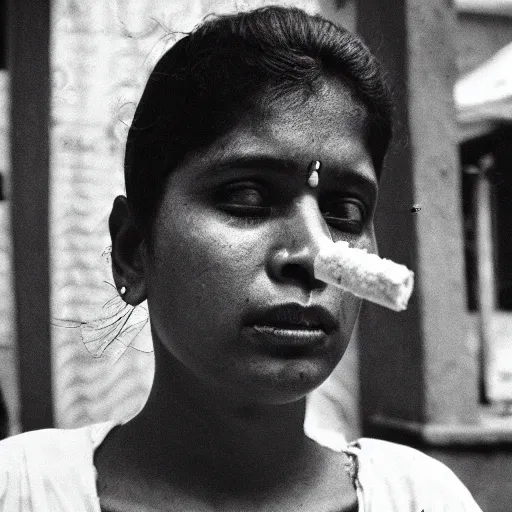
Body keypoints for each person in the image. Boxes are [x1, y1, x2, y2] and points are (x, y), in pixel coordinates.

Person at [0, 6, 482, 511]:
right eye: (246, 199)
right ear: (132, 252)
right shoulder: (22, 492)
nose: (310, 258)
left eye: (344, 210)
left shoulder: (422, 498)